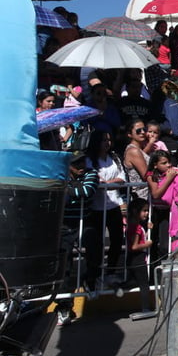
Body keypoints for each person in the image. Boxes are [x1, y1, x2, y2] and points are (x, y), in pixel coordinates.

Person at [55, 151, 99, 326]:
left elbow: (87, 190)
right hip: (65, 224)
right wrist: (69, 189)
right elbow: (59, 191)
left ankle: (91, 281)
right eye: (76, 164)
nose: (80, 167)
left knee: (94, 250)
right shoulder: (61, 174)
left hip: (85, 221)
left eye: (82, 162)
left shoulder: (91, 173)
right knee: (63, 264)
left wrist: (67, 189)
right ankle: (64, 307)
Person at [85, 129, 127, 290]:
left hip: (114, 205)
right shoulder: (90, 160)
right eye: (104, 140)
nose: (107, 143)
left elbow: (122, 178)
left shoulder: (114, 158)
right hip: (96, 207)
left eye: (109, 140)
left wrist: (108, 184)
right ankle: (93, 275)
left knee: (117, 240)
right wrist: (108, 183)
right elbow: (95, 179)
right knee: (96, 243)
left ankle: (111, 271)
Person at [148, 150, 178, 241]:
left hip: (170, 210)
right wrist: (168, 179)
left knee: (166, 242)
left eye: (169, 162)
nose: (168, 165)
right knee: (154, 239)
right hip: (156, 211)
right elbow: (156, 194)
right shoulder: (151, 175)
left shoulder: (174, 172)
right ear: (155, 165)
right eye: (164, 163)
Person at [125, 198, 153, 313]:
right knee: (144, 284)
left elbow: (140, 239)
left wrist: (147, 231)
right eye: (144, 211)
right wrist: (147, 244)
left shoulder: (134, 225)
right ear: (136, 211)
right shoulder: (135, 227)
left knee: (133, 281)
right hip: (138, 259)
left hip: (133, 259)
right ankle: (146, 308)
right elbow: (134, 246)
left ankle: (118, 287)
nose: (147, 213)